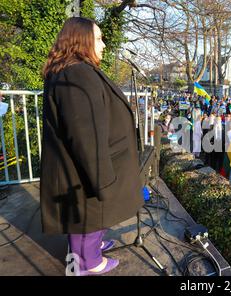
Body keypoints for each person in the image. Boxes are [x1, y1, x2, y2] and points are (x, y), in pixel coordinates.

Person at [40, 17, 144, 276]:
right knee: (89, 215)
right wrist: (102, 180)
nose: (104, 44)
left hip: (86, 166)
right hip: (88, 168)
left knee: (89, 217)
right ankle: (88, 263)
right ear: (81, 40)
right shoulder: (76, 74)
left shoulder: (72, 69)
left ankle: (88, 249)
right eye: (98, 38)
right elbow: (84, 134)